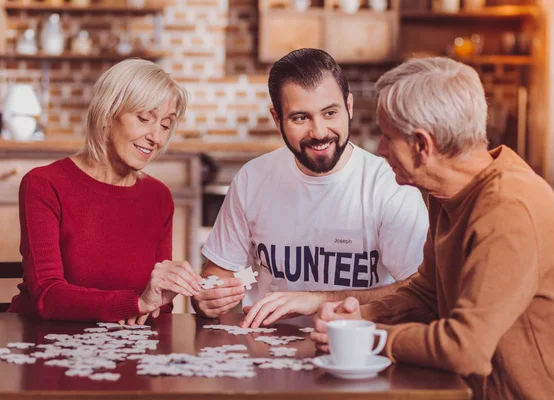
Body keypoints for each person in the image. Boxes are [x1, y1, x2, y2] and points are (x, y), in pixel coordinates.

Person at [311, 57, 554, 399]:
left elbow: (466, 348)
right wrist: (361, 315)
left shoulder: (509, 207)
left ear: (422, 145)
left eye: (387, 136)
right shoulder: (445, 193)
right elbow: (428, 292)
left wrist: (368, 336)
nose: (380, 149)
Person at [190, 48, 429, 328]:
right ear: (277, 119)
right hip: (265, 352)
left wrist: (318, 299)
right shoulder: (251, 179)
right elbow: (221, 274)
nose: (318, 132)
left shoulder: (390, 184)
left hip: (354, 351)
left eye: (329, 113)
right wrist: (207, 296)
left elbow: (419, 293)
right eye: (300, 118)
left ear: (349, 107)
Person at [8, 59, 202, 325]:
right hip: (42, 340)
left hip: (125, 350)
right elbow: (48, 294)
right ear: (107, 115)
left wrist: (165, 294)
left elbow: (158, 305)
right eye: (144, 118)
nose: (156, 137)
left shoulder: (158, 197)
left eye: (166, 125)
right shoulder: (43, 184)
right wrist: (136, 303)